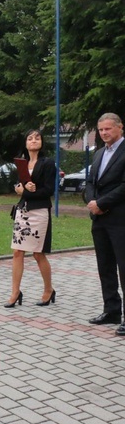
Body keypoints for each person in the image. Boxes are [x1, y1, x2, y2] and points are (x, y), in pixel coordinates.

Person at [5, 129, 57, 308]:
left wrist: (26, 191)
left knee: (37, 253)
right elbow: (18, 185)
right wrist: (20, 188)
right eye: (30, 138)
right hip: (22, 211)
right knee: (17, 252)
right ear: (25, 143)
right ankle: (15, 292)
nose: (33, 140)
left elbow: (49, 190)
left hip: (39, 212)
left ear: (41, 142)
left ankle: (48, 290)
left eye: (37, 138)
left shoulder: (48, 163)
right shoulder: (21, 163)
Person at [84, 113, 125, 334]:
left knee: (123, 268)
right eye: (100, 130)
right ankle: (112, 310)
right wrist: (91, 201)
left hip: (120, 219)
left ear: (120, 128)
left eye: (108, 129)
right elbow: (91, 181)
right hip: (99, 220)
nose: (104, 133)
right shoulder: (99, 153)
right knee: (105, 266)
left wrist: (101, 203)